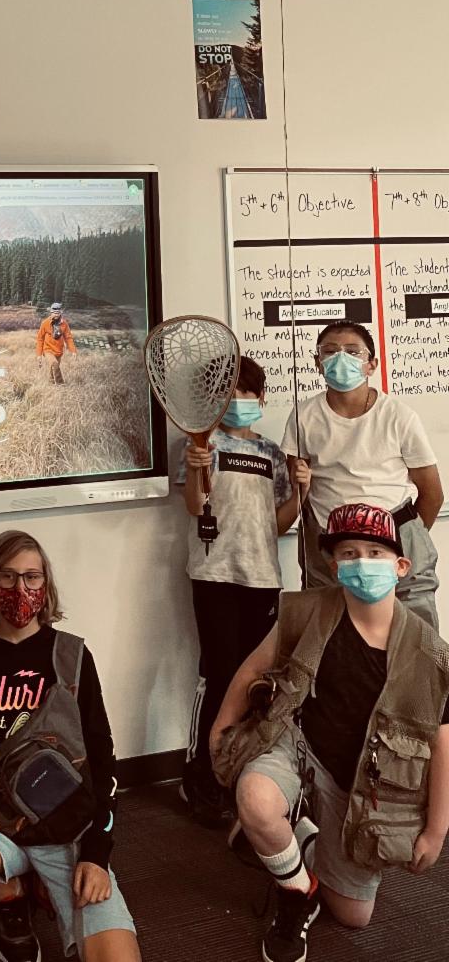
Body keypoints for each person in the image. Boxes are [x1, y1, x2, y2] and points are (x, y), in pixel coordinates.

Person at [211, 503, 449, 962]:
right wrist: (220, 730)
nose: (362, 563)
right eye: (349, 553)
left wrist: (436, 830)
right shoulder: (306, 612)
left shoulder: (431, 655)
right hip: (298, 749)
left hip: (362, 784)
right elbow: (254, 668)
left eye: (375, 553)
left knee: (353, 915)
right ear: (334, 566)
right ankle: (295, 893)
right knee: (256, 799)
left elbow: (442, 742)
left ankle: (298, 837)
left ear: (401, 566)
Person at [0, 530, 141, 962]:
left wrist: (97, 856)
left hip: (66, 830)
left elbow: (103, 760)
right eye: (6, 577)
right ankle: (16, 893)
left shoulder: (72, 656)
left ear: (46, 585)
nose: (20, 589)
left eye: (31, 577)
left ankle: (46, 884)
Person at [175, 355, 306, 825]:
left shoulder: (272, 452)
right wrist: (195, 469)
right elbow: (195, 507)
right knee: (219, 674)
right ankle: (199, 778)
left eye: (246, 392)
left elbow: (279, 525)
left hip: (263, 578)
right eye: (227, 394)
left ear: (261, 397)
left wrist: (302, 493)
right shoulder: (201, 443)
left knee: (255, 682)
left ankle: (243, 772)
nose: (238, 401)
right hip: (215, 576)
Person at [281, 320, 442, 629]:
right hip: (329, 542)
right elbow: (297, 484)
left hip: (396, 534)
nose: (341, 358)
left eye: (353, 351)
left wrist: (400, 538)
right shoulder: (304, 415)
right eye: (330, 351)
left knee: (415, 632)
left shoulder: (398, 415)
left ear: (372, 364)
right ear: (317, 362)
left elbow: (432, 494)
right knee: (326, 629)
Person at [36, 302, 77, 384]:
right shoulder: (45, 323)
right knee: (54, 364)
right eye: (54, 313)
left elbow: (68, 338)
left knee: (53, 368)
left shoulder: (64, 324)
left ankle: (51, 384)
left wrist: (73, 351)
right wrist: (39, 354)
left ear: (60, 313)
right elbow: (40, 339)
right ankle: (60, 384)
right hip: (48, 350)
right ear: (51, 312)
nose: (56, 315)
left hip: (59, 351)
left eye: (58, 313)